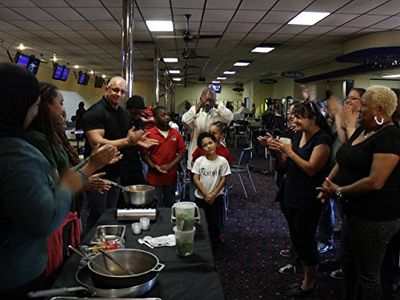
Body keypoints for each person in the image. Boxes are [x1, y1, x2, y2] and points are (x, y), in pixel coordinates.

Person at [0, 63, 84, 298]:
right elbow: (43, 220)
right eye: (35, 106)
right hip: (14, 274)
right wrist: (68, 186)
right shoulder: (17, 155)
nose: (35, 113)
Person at [317, 85, 400, 300]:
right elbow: (344, 157)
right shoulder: (364, 129)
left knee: (369, 276)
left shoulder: (390, 136)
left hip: (374, 218)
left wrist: (339, 191)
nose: (360, 109)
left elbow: (375, 182)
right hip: (352, 214)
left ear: (379, 110)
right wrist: (328, 185)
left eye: (365, 105)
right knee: (349, 267)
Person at [268, 101, 333, 297]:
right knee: (297, 239)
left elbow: (311, 169)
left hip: (309, 199)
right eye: (293, 116)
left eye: (299, 116)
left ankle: (309, 283)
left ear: (313, 118)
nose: (294, 120)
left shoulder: (322, 140)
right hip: (291, 193)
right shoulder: (298, 135)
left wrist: (289, 152)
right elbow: (286, 165)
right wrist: (277, 151)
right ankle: (305, 274)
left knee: (306, 241)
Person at [81, 77, 158, 231]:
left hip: (116, 173)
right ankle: (90, 250)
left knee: (111, 215)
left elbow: (127, 136)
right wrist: (128, 142)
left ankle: (109, 245)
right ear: (106, 89)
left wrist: (138, 141)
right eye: (115, 90)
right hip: (98, 175)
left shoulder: (123, 114)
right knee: (97, 217)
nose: (118, 94)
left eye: (122, 91)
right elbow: (98, 144)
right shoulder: (95, 113)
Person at [192, 132, 231, 249]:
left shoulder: (222, 161)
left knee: (215, 223)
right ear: (201, 148)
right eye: (205, 145)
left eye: (210, 143)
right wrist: (205, 193)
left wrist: (213, 194)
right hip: (200, 197)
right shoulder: (199, 161)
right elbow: (196, 178)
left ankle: (215, 246)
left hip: (217, 197)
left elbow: (224, 179)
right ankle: (202, 246)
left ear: (215, 143)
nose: (208, 146)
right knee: (201, 222)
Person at [142, 106, 186, 207]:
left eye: (168, 115)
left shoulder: (175, 133)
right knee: (156, 205)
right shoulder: (150, 134)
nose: (167, 117)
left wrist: (171, 165)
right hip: (154, 177)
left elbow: (182, 152)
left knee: (170, 204)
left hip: (171, 177)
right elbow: (144, 154)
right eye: (163, 115)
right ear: (156, 119)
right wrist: (153, 165)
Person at [182, 85, 233, 170]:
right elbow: (185, 120)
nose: (208, 103)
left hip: (216, 156)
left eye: (210, 100)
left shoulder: (219, 113)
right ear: (201, 98)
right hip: (197, 154)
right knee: (196, 180)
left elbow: (230, 117)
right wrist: (199, 104)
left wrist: (215, 103)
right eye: (206, 99)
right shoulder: (195, 112)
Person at [121, 95, 148, 188]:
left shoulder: (138, 121)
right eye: (134, 113)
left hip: (134, 160)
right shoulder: (120, 120)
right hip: (121, 161)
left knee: (140, 186)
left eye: (139, 114)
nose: (136, 116)